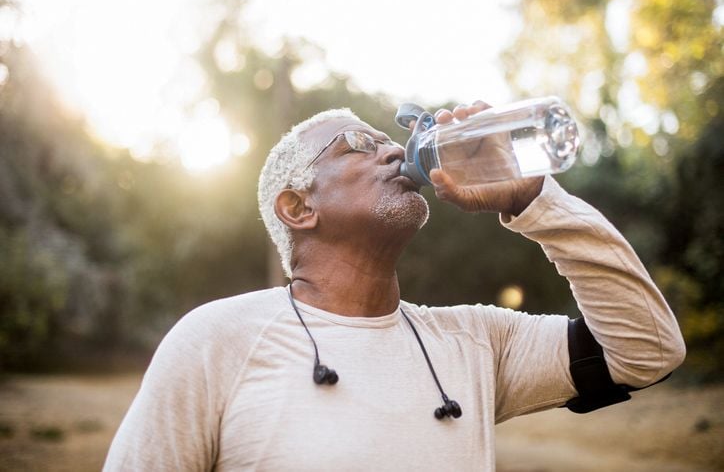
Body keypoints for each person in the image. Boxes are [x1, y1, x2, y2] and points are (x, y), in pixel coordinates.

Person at [104, 101, 686, 471]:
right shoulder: (216, 339)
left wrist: (535, 201)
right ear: (298, 207)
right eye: (357, 144)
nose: (390, 148)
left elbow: (648, 349)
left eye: (388, 138)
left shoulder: (476, 341)